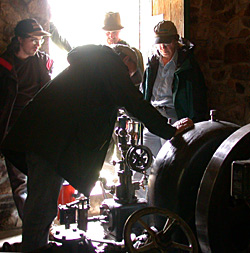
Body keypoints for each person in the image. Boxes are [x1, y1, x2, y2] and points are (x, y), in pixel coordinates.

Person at [2, 44, 193, 251]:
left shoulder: (94, 66)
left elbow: (126, 104)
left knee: (42, 206)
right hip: (49, 141)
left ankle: (36, 247)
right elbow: (134, 103)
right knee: (42, 208)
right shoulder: (110, 65)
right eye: (130, 72)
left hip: (45, 136)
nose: (128, 77)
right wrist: (169, 131)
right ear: (125, 60)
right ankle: (34, 249)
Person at [0, 18, 53, 221]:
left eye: (39, 39)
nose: (37, 44)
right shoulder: (4, 66)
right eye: (32, 39)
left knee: (41, 178)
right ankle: (32, 225)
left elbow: (49, 93)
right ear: (19, 39)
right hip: (12, 130)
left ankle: (42, 224)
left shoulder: (41, 62)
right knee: (19, 183)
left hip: (35, 127)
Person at [141, 20, 208, 158]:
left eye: (167, 43)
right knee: (145, 158)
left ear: (175, 41)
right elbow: (145, 91)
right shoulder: (152, 63)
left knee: (169, 160)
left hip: (174, 115)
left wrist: (194, 120)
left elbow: (197, 95)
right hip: (153, 115)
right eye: (159, 43)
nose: (163, 47)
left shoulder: (186, 65)